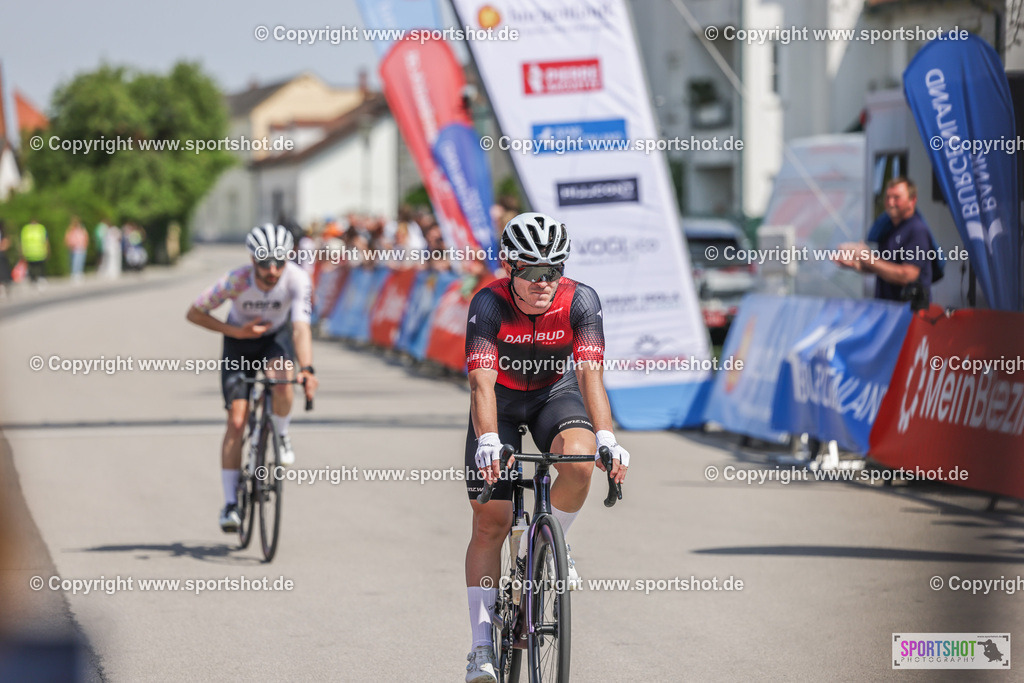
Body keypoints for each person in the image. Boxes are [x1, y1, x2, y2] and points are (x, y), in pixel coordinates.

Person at [462, 212, 629, 683]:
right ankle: (480, 648)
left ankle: (554, 539)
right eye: (532, 272)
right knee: (490, 522)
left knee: (579, 463)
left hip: (556, 394)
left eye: (552, 271)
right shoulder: (489, 305)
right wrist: (489, 441)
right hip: (501, 402)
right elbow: (480, 382)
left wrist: (607, 438)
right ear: (509, 267)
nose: (543, 282)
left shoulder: (581, 301)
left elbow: (591, 374)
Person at [186, 224, 318, 532]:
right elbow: (194, 312)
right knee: (236, 420)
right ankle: (231, 503)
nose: (272, 270)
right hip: (240, 340)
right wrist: (237, 331)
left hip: (276, 338)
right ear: (252, 259)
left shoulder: (297, 279)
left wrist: (308, 369)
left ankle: (281, 433)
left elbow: (301, 327)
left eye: (279, 262)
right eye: (264, 263)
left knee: (284, 378)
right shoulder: (236, 281)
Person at [834, 177, 942, 308]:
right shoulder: (888, 228)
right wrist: (858, 264)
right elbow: (885, 268)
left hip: (910, 316)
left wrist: (867, 258)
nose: (891, 202)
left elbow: (907, 275)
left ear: (912, 200)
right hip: (887, 312)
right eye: (888, 197)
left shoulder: (917, 230)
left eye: (896, 197)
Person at [20, 218, 48, 286]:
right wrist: (47, 249)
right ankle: (40, 279)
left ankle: (33, 280)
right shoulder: (41, 228)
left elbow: (22, 242)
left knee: (32, 267)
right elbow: (46, 240)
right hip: (39, 251)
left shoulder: (26, 229)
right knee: (39, 267)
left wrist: (22, 251)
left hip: (30, 252)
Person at [64, 216, 89, 283]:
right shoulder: (71, 229)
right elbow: (67, 238)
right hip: (73, 248)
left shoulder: (82, 229)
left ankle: (78, 273)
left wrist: (85, 245)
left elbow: (86, 237)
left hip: (81, 247)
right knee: (74, 262)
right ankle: (74, 274)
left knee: (80, 261)